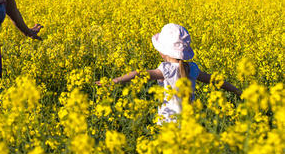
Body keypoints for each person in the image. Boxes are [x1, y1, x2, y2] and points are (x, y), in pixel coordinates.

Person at [96, 23, 240, 124]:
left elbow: (139, 74)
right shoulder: (192, 69)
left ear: (163, 51)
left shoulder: (166, 70)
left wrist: (115, 81)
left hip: (168, 123)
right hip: (189, 122)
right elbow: (216, 80)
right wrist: (238, 91)